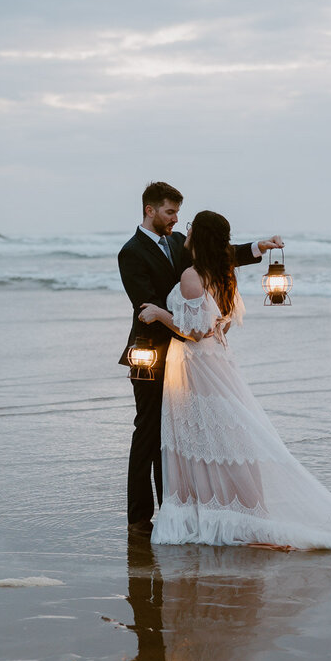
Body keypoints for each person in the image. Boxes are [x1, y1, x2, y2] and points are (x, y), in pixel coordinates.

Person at [137, 210, 331, 553]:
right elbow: (218, 324)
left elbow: (194, 331)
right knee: (225, 436)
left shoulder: (193, 276)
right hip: (216, 363)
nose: (186, 230)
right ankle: (236, 510)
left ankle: (220, 514)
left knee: (207, 438)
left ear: (200, 235)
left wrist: (158, 314)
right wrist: (258, 247)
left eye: (191, 226)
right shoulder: (222, 274)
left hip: (197, 366)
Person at [118, 183, 282, 534]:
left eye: (178, 214)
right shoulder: (130, 252)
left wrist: (257, 248)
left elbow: (216, 254)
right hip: (153, 353)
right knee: (148, 431)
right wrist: (192, 329)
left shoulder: (179, 242)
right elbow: (147, 305)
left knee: (179, 437)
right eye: (170, 213)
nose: (176, 220)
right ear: (150, 211)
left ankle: (175, 508)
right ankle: (138, 517)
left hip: (188, 352)